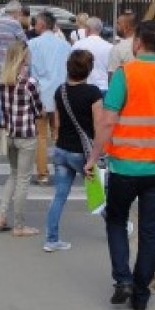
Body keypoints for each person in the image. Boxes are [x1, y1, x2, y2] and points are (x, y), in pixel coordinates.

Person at [85, 19, 155, 310]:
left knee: (116, 221)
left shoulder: (125, 75)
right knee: (150, 231)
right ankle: (141, 294)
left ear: (137, 43)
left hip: (124, 168)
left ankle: (123, 280)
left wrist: (93, 158)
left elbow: (107, 122)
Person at [44, 49, 103, 252]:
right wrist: (98, 153)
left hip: (62, 151)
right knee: (99, 193)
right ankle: (120, 225)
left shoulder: (60, 91)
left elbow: (57, 124)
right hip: (83, 154)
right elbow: (99, 125)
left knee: (59, 196)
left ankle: (51, 239)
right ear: (89, 70)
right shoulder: (93, 93)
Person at [0, 40, 43, 236]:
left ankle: (1, 215)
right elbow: (39, 109)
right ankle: (19, 225)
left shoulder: (3, 79)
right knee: (24, 179)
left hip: (10, 134)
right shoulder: (30, 83)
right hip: (26, 134)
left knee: (13, 175)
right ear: (23, 56)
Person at [27, 10, 70, 185]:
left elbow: (29, 70)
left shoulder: (32, 44)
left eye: (36, 23)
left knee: (41, 136)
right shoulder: (65, 45)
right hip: (60, 94)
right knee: (58, 135)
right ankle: (62, 172)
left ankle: (43, 174)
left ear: (42, 24)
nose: (34, 25)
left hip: (40, 95)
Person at [0, 1, 26, 127]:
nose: (20, 14)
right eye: (20, 12)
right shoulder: (15, 23)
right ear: (16, 12)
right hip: (9, 60)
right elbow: (23, 41)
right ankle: (6, 118)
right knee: (10, 90)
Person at [70, 16, 112, 93]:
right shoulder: (110, 47)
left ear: (88, 29)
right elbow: (111, 70)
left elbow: (71, 66)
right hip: (103, 87)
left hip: (83, 87)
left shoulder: (78, 45)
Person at [107, 12, 137, 82]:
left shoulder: (118, 48)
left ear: (127, 26)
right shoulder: (144, 45)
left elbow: (112, 77)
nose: (116, 26)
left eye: (118, 23)